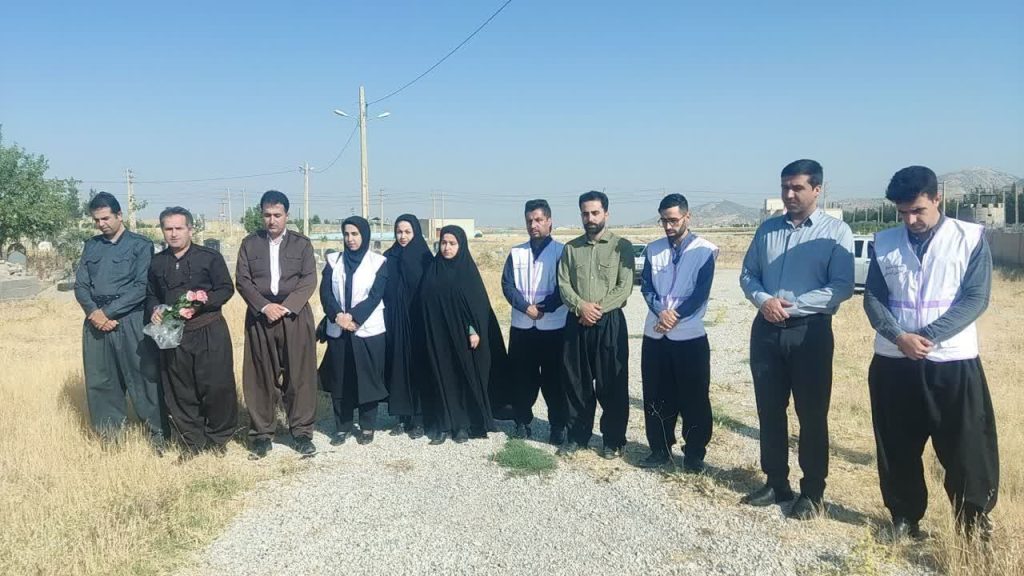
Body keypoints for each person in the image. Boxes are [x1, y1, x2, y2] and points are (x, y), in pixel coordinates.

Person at [863, 166, 999, 541]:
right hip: (894, 362)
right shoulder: (885, 243)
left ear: (938, 198)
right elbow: (873, 300)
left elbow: (976, 299)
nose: (910, 220)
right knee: (897, 445)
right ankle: (904, 517)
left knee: (966, 447)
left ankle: (972, 523)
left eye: (918, 210)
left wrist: (925, 337)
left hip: (952, 361)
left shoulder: (969, 238)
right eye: (902, 212)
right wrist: (899, 337)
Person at [739, 159, 855, 519]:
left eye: (797, 188)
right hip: (766, 330)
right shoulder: (767, 230)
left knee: (812, 414)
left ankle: (812, 491)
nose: (789, 194)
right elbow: (748, 274)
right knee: (769, 409)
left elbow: (841, 286)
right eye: (785, 187)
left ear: (817, 190)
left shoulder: (836, 232)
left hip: (810, 333)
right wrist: (764, 300)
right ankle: (776, 482)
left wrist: (792, 307)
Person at [74, 192, 166, 450]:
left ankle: (158, 434)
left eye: (105, 218)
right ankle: (110, 437)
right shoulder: (91, 246)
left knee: (142, 378)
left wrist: (108, 313)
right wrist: (94, 313)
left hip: (130, 319)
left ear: (119, 215)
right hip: (95, 321)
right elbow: (81, 285)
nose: (101, 224)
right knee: (102, 380)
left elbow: (140, 287)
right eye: (96, 220)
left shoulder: (140, 245)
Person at [146, 206, 237, 459]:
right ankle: (192, 441)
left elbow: (226, 289)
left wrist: (201, 302)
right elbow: (151, 293)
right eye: (168, 229)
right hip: (174, 335)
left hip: (208, 330)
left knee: (216, 386)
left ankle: (218, 438)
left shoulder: (210, 258)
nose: (174, 234)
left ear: (190, 229)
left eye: (179, 228)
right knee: (181, 390)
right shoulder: (157, 263)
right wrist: (155, 309)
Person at [638, 194, 718, 472]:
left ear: (687, 217)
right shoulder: (653, 249)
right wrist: (661, 312)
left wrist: (675, 316)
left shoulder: (705, 250)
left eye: (673, 220)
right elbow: (647, 287)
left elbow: (700, 294)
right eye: (663, 220)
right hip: (656, 334)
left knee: (694, 398)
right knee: (656, 394)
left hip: (689, 336)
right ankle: (659, 448)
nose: (668, 226)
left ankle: (694, 453)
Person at [236, 190, 319, 458]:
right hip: (261, 316)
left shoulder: (302, 244)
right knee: (260, 376)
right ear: (261, 215)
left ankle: (302, 433)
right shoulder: (250, 244)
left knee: (300, 376)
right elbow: (243, 280)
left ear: (286, 215)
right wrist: (264, 306)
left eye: (277, 215)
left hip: (294, 315)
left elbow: (309, 279)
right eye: (267, 215)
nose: (272, 220)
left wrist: (287, 306)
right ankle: (262, 435)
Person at [556, 191, 634, 459]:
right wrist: (581, 306)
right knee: (576, 383)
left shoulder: (621, 247)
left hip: (609, 322)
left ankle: (613, 441)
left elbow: (624, 287)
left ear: (606, 214)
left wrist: (595, 309)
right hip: (577, 321)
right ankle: (577, 436)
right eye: (585, 213)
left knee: (611, 383)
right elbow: (563, 284)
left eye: (595, 213)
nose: (590, 218)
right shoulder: (571, 248)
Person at [419, 225, 508, 444]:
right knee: (440, 377)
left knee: (461, 377)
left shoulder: (467, 272)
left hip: (461, 336)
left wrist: (473, 330)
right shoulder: (433, 269)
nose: (447, 248)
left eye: (452, 244)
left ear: (461, 245)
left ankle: (462, 425)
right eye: (443, 243)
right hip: (437, 335)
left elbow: (477, 305)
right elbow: (425, 300)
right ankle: (442, 425)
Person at [500, 199, 569, 445]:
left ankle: (558, 426)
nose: (533, 225)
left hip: (553, 327)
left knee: (555, 381)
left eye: (539, 220)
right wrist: (525, 307)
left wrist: (545, 308)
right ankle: (522, 422)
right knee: (521, 379)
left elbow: (565, 287)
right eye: (529, 220)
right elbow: (507, 285)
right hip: (522, 327)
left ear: (549, 221)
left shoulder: (562, 252)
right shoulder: (516, 252)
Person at [320, 216, 389, 445]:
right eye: (347, 234)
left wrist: (354, 317)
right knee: (341, 378)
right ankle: (343, 427)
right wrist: (338, 316)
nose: (350, 239)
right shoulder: (333, 261)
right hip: (339, 329)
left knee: (368, 377)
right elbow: (326, 293)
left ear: (364, 235)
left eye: (355, 234)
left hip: (367, 330)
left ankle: (367, 426)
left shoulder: (378, 262)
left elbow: (376, 295)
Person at [382, 214, 433, 439]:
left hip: (417, 323)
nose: (402, 236)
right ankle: (402, 418)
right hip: (394, 322)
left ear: (416, 233)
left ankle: (420, 419)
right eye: (399, 232)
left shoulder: (425, 258)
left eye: (407, 232)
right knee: (397, 368)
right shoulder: (388, 257)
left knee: (418, 368)